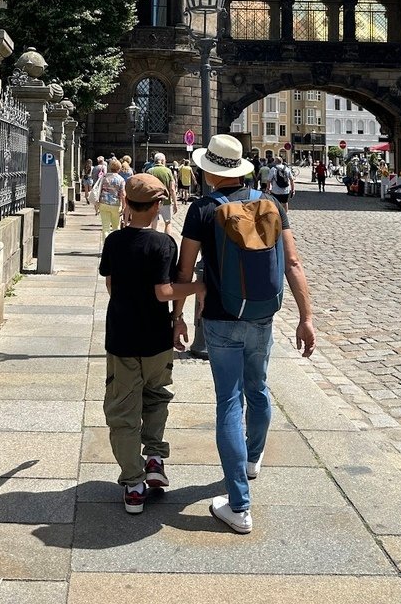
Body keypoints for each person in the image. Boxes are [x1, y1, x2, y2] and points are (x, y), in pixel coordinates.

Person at [176, 134, 316, 535]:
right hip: (262, 317)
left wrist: (178, 316)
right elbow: (292, 262)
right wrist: (306, 318)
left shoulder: (203, 209)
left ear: (209, 170)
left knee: (229, 404)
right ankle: (253, 460)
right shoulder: (271, 203)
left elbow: (185, 271)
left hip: (221, 318)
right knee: (258, 389)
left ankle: (238, 506)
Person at [99, 174, 205, 515]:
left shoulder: (113, 241)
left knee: (123, 408)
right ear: (158, 206)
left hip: (122, 337)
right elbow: (165, 292)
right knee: (157, 394)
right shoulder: (164, 244)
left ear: (126, 204)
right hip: (157, 337)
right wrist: (199, 288)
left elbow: (112, 286)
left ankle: (133, 483)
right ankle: (155, 458)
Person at [147, 153, 178, 234]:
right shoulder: (168, 171)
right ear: (163, 161)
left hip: (153, 201)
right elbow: (172, 189)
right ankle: (167, 241)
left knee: (153, 222)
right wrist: (175, 203)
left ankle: (153, 240)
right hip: (166, 201)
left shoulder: (150, 171)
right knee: (168, 223)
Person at [97, 159, 126, 243]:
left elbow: (99, 189)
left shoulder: (104, 177)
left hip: (104, 203)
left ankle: (106, 247)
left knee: (105, 227)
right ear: (119, 168)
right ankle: (115, 247)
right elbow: (123, 194)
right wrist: (124, 206)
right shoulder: (121, 180)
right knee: (116, 228)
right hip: (115, 204)